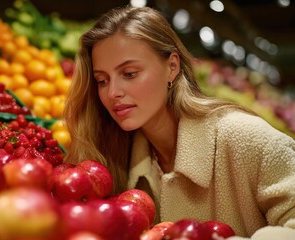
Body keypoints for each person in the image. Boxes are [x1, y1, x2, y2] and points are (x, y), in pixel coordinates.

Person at [62, 5, 295, 239]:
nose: (112, 92)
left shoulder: (244, 137)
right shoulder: (114, 155)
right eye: (102, 80)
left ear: (172, 67)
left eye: (129, 73)